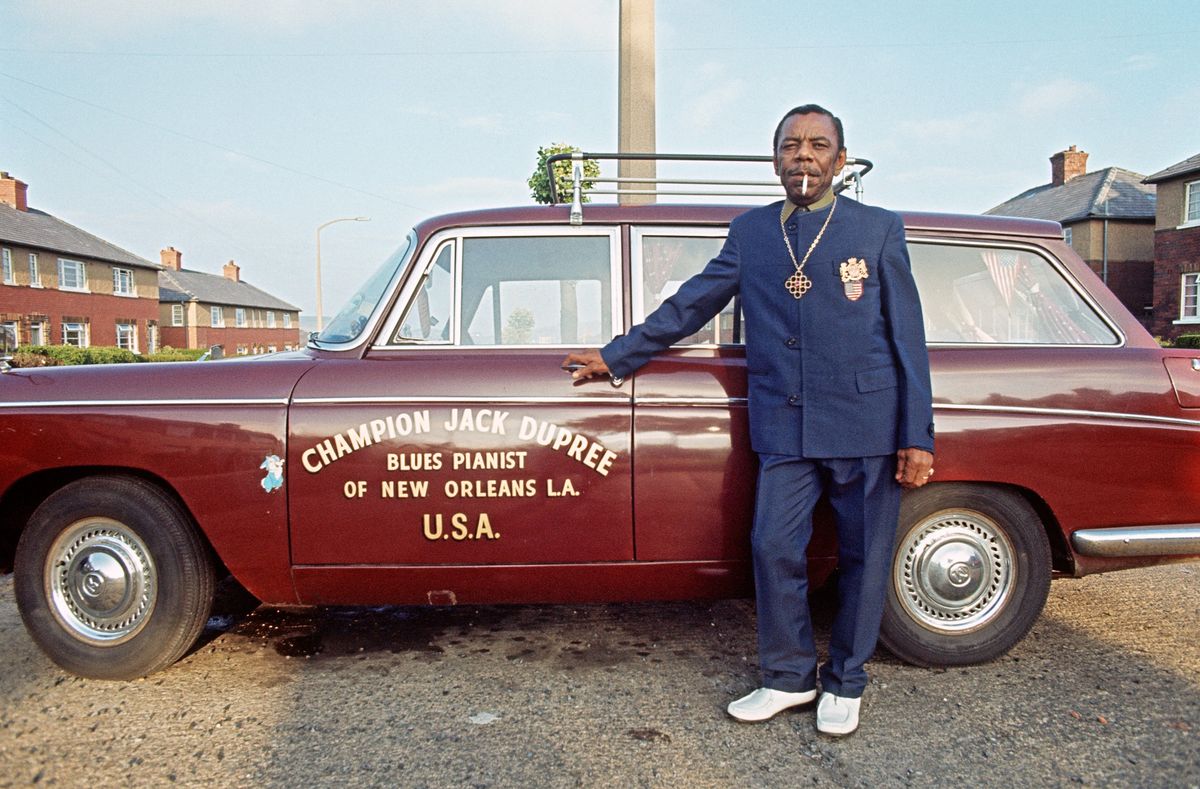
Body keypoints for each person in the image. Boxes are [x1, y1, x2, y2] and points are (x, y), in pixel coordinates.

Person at [562, 104, 935, 737]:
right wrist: (615, 355)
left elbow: (908, 337)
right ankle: (788, 677)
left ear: (840, 161)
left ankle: (846, 682)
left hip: (866, 422)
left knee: (865, 556)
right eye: (791, 146)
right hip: (784, 424)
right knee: (772, 546)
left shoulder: (877, 229)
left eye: (818, 146)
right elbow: (690, 305)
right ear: (776, 161)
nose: (804, 156)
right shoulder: (751, 232)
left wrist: (916, 436)